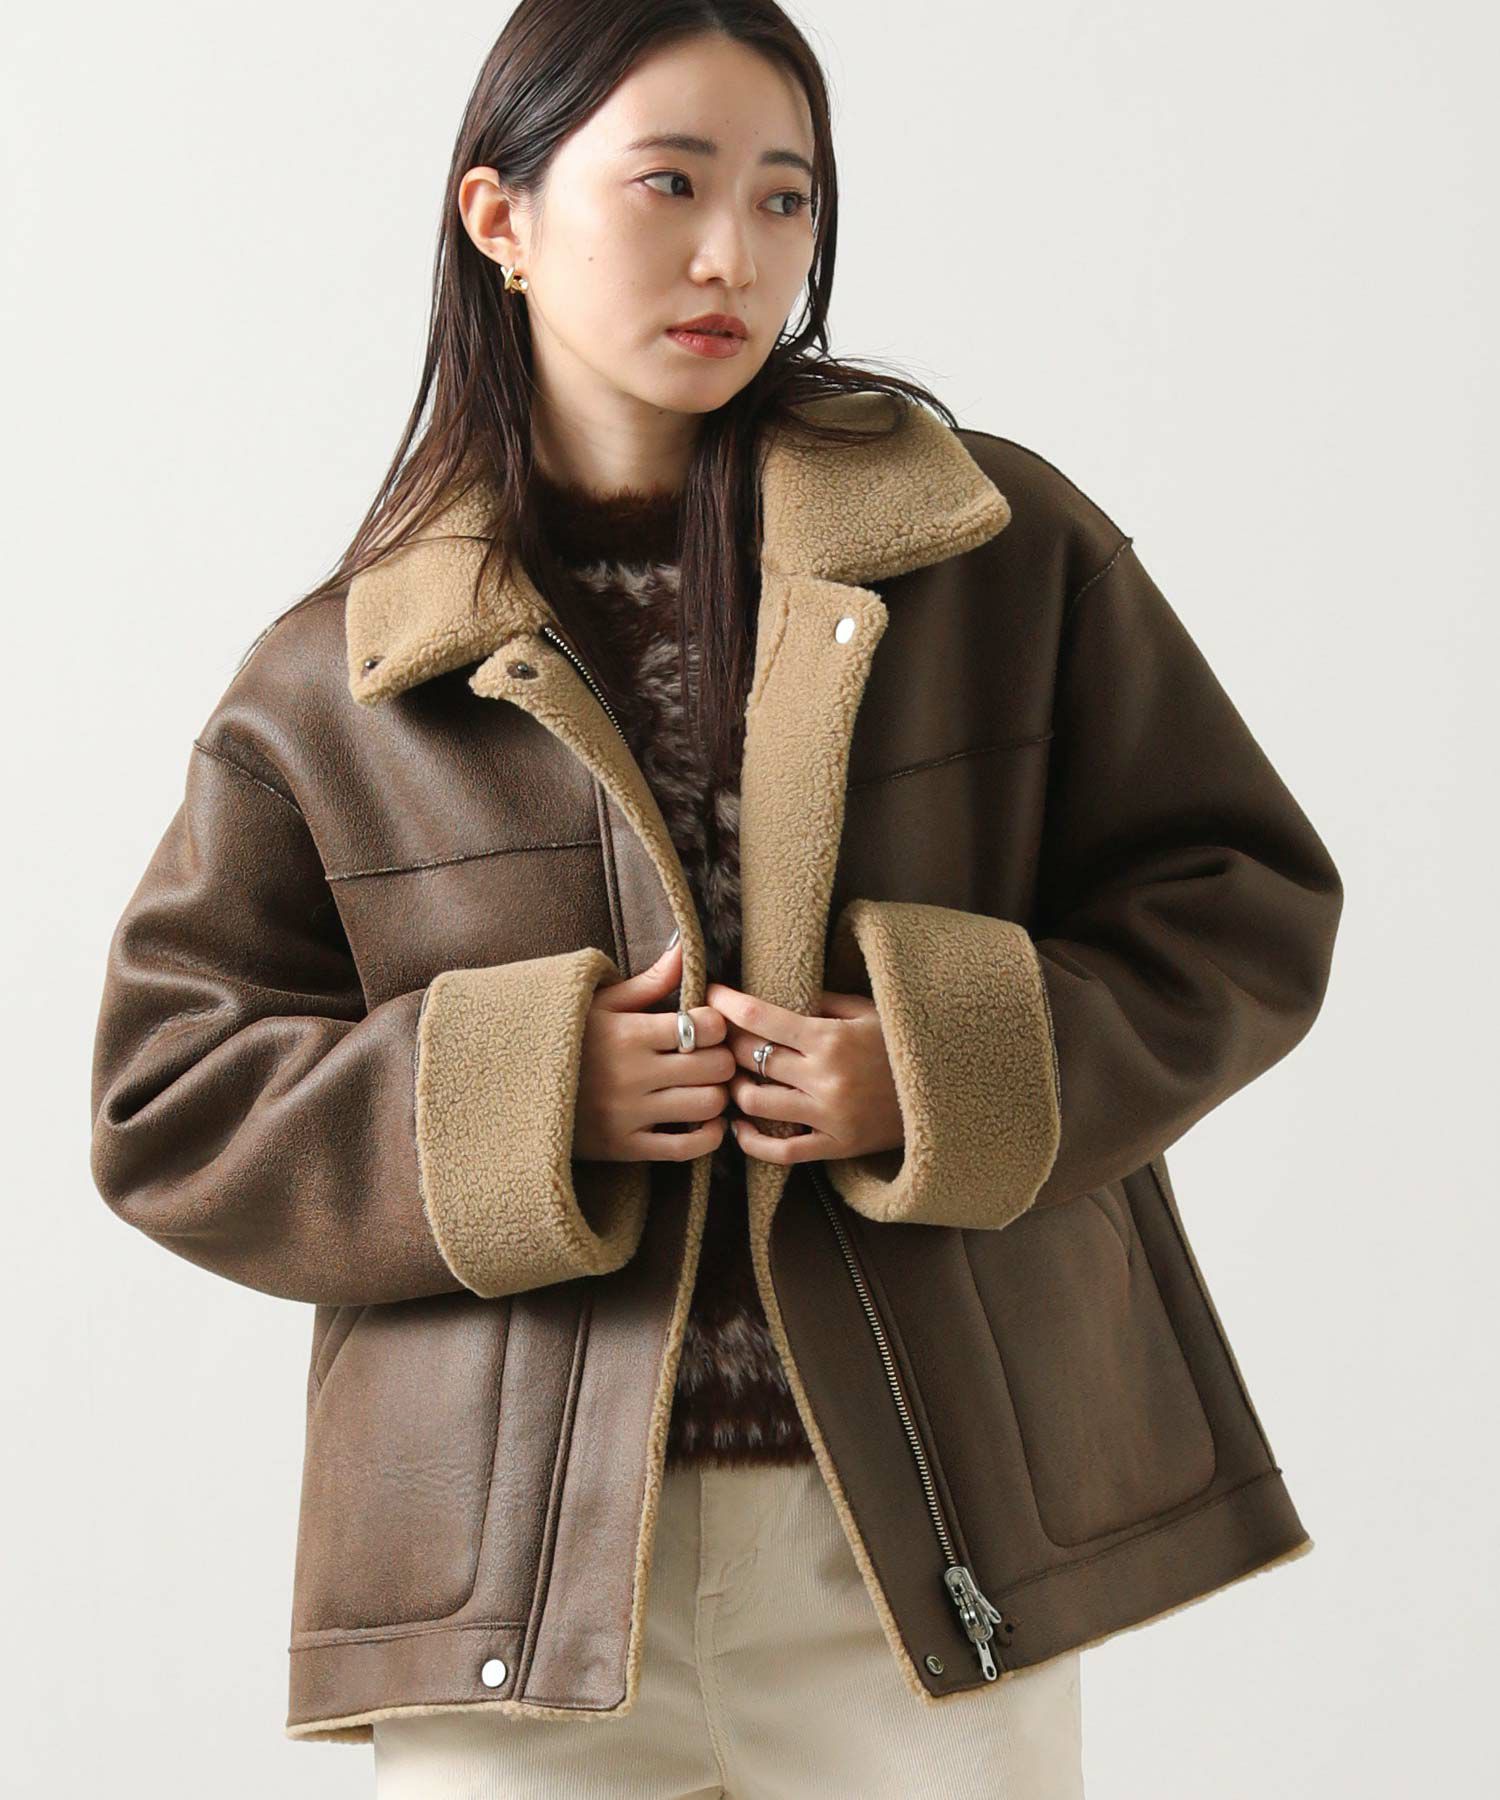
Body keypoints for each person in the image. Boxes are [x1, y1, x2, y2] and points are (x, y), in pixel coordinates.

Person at [88, 3, 1344, 1796]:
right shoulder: (347, 674)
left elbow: (1240, 901)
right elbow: (168, 1095)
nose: (732, 256)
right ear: (500, 216)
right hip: (518, 1591)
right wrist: (532, 1096)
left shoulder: (996, 555)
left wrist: (936, 1067)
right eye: (668, 184)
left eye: (783, 197)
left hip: (916, 1555)